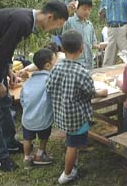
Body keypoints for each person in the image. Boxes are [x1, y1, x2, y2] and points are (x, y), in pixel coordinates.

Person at [0, 0, 69, 172]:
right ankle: (0, 157)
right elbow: (1, 52)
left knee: (5, 102)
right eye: (57, 25)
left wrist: (9, 71)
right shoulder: (23, 21)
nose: (54, 29)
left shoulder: (27, 20)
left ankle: (11, 143)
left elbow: (7, 47)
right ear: (50, 16)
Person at [47, 30, 108, 184]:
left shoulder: (56, 68)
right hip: (77, 117)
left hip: (62, 113)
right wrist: (100, 93)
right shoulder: (81, 71)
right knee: (73, 146)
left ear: (62, 48)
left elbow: (48, 87)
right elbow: (89, 92)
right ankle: (67, 174)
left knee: (71, 139)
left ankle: (71, 164)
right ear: (82, 48)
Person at [20, 48, 57, 169]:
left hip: (28, 118)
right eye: (54, 62)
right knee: (44, 136)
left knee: (27, 138)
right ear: (47, 65)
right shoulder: (50, 80)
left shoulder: (28, 82)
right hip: (43, 117)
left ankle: (27, 158)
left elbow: (22, 99)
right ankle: (40, 154)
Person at [62, 0, 103, 70]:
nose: (87, 12)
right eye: (84, 9)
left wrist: (101, 46)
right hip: (75, 63)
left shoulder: (89, 25)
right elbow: (63, 40)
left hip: (89, 63)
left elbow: (93, 44)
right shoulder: (69, 22)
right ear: (76, 8)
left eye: (89, 9)